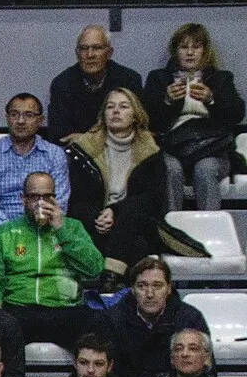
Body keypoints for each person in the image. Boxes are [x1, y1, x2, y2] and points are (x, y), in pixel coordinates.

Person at [0, 171, 106, 352]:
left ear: (55, 199)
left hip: (63, 309)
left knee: (99, 322)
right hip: (19, 308)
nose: (41, 202)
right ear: (23, 199)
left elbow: (94, 268)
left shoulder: (73, 227)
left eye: (47, 196)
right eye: (34, 196)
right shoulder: (5, 232)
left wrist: (61, 229)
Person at [66, 88, 178, 281]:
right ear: (103, 115)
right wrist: (98, 217)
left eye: (123, 106)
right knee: (138, 247)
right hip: (97, 226)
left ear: (135, 115)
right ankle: (120, 286)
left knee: (133, 210)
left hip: (138, 222)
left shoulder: (151, 151)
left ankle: (111, 278)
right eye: (110, 107)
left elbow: (153, 199)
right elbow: (77, 200)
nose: (115, 111)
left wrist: (115, 211)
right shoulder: (84, 150)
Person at [142, 22, 245, 213]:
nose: (190, 53)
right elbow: (147, 120)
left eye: (196, 47)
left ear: (205, 51)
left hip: (211, 148)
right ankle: (172, 233)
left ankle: (208, 234)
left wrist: (211, 99)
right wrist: (167, 101)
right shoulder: (159, 78)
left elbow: (237, 114)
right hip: (172, 147)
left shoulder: (221, 78)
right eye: (184, 47)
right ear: (175, 51)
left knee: (205, 169)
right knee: (169, 169)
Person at [0, 93, 70, 251]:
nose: (20, 121)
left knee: (69, 240)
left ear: (41, 120)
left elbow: (59, 200)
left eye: (29, 115)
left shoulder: (54, 155)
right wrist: (12, 230)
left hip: (43, 223)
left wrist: (37, 225)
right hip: (1, 225)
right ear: (7, 118)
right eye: (14, 114)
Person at [105, 254, 210, 377]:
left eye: (157, 285)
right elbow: (107, 374)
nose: (149, 294)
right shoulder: (113, 319)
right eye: (142, 286)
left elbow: (207, 372)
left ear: (169, 288)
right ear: (132, 290)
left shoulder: (190, 318)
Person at [49, 23, 143, 142]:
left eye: (97, 48)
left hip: (119, 148)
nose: (90, 55)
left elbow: (136, 128)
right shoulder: (62, 83)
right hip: (77, 153)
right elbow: (60, 135)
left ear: (109, 53)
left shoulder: (129, 80)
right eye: (84, 48)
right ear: (77, 54)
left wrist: (88, 139)